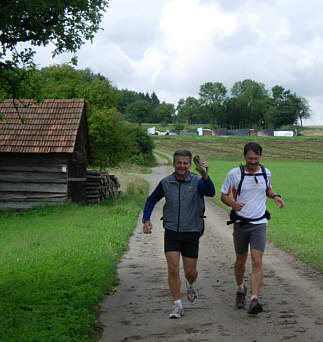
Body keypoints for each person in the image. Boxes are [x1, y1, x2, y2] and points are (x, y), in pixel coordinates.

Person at [142, 149, 215, 319]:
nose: (182, 166)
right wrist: (146, 219)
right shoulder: (166, 183)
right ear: (174, 164)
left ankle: (190, 284)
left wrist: (205, 175)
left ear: (190, 165)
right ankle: (177, 305)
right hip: (172, 231)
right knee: (173, 268)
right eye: (179, 163)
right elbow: (151, 200)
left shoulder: (197, 180)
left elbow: (210, 192)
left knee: (190, 272)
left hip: (192, 231)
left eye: (185, 163)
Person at [220, 142, 285, 315]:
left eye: (256, 159)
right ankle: (241, 288)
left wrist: (275, 196)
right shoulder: (234, 174)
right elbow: (223, 195)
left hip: (259, 224)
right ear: (244, 157)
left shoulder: (265, 172)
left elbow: (267, 189)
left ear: (260, 158)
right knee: (240, 261)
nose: (253, 162)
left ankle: (254, 299)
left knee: (257, 260)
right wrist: (233, 204)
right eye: (250, 159)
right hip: (241, 223)